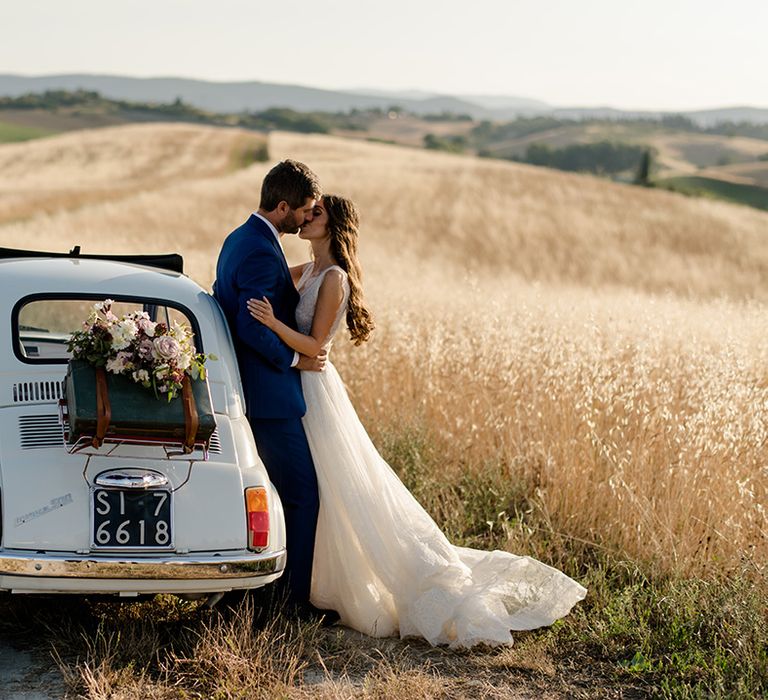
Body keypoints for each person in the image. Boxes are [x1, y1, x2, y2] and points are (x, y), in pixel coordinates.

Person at [246, 195, 587, 648]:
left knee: (342, 488)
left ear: (335, 226)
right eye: (308, 211)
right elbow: (272, 294)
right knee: (323, 491)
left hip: (315, 394)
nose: (307, 218)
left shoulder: (333, 279)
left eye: (317, 214)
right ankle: (313, 583)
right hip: (296, 386)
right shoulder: (304, 272)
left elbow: (312, 347)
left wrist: (271, 324)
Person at [213, 160, 338, 623]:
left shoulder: (240, 238)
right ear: (282, 206)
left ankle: (253, 596)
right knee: (302, 494)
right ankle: (290, 606)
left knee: (267, 493)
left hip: (253, 390)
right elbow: (249, 324)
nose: (306, 218)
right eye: (303, 210)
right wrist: (295, 359)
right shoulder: (262, 251)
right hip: (269, 396)